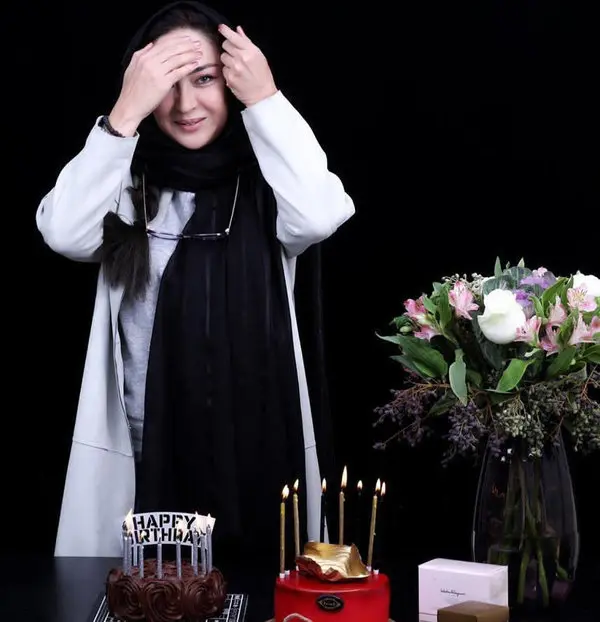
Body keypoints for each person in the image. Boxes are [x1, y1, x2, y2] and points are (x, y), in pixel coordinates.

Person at [36, 0, 354, 568]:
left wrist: (266, 98)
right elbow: (64, 232)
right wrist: (123, 114)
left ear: (231, 83)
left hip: (257, 449)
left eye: (205, 79)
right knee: (151, 594)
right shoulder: (124, 182)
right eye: (166, 84)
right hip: (145, 453)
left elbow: (320, 214)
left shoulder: (268, 183)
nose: (185, 106)